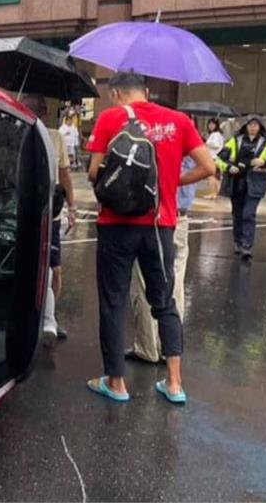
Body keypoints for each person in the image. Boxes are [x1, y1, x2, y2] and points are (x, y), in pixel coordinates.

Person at [85, 71, 215, 404]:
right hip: (160, 224)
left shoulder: (111, 118)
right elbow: (208, 168)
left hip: (116, 224)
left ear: (115, 94)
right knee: (164, 300)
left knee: (113, 302)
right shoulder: (179, 120)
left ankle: (116, 383)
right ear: (146, 91)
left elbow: (93, 171)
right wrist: (172, 182)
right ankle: (173, 383)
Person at [125, 156, 197, 364]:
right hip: (180, 216)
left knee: (144, 281)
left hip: (153, 217)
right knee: (175, 285)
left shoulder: (152, 137)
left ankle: (147, 347)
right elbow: (207, 167)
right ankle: (171, 348)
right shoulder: (189, 143)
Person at [21, 93, 76, 347]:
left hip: (50, 213)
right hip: (23, 210)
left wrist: (72, 207)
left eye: (40, 107)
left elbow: (64, 175)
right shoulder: (16, 129)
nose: (39, 111)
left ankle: (51, 317)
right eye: (36, 107)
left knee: (54, 268)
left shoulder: (55, 137)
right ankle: (35, 316)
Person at [216, 114, 266, 260]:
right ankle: (238, 242)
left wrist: (263, 163)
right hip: (236, 183)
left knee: (248, 214)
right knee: (237, 214)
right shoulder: (235, 140)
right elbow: (219, 159)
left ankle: (247, 245)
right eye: (250, 125)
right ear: (246, 126)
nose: (252, 128)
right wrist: (228, 167)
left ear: (260, 127)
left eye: (256, 125)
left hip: (255, 184)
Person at [202, 118, 224, 199]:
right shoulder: (215, 134)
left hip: (214, 157)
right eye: (210, 124)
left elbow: (216, 145)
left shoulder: (216, 134)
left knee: (211, 176)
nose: (211, 126)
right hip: (214, 157)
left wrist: (206, 142)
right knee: (215, 176)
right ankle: (214, 193)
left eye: (213, 124)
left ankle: (213, 193)